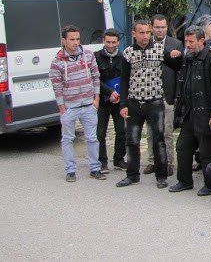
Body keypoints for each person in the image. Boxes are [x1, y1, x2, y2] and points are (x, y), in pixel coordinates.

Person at [116, 20, 182, 189]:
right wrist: (123, 104)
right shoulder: (128, 53)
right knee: (132, 140)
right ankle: (132, 175)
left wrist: (176, 55)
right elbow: (123, 81)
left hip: (155, 102)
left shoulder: (159, 49)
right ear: (134, 34)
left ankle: (161, 176)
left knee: (158, 140)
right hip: (134, 102)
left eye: (147, 32)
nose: (145, 36)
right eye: (141, 32)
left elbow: (177, 66)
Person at [169, 26, 211, 196]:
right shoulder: (189, 57)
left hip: (208, 115)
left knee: (207, 153)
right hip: (190, 113)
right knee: (182, 147)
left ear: (201, 41)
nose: (187, 44)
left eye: (191, 41)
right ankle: (184, 181)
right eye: (186, 41)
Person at [49, 25, 105, 182]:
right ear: (64, 40)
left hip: (88, 105)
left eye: (77, 39)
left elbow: (95, 76)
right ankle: (70, 171)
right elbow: (57, 87)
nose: (75, 42)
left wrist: (96, 99)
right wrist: (62, 109)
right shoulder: (57, 62)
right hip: (69, 107)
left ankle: (95, 168)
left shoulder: (88, 55)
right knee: (67, 139)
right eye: (71, 39)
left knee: (92, 138)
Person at [143, 14, 183, 177]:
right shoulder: (144, 44)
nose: (160, 30)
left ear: (167, 27)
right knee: (151, 132)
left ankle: (169, 163)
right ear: (151, 28)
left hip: (167, 95)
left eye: (163, 27)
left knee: (166, 132)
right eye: (157, 27)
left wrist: (176, 96)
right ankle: (152, 161)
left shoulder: (176, 44)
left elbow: (179, 71)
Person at [94, 28, 126, 173]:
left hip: (119, 101)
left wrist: (118, 94)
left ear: (118, 42)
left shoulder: (124, 57)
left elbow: (126, 78)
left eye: (114, 42)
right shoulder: (95, 57)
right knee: (100, 133)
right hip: (102, 101)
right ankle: (102, 161)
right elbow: (95, 79)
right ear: (103, 41)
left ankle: (119, 159)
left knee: (121, 131)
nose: (111, 45)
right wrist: (110, 92)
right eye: (108, 42)